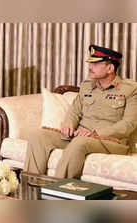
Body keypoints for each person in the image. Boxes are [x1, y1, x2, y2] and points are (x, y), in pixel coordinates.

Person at [24, 44, 137, 179]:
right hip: (80, 136)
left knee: (80, 142)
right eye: (90, 63)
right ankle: (29, 187)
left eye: (96, 64)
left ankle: (58, 191)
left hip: (111, 141)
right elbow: (74, 111)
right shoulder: (87, 86)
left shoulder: (130, 89)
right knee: (39, 136)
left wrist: (94, 134)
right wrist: (68, 125)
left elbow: (128, 124)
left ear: (110, 68)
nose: (90, 67)